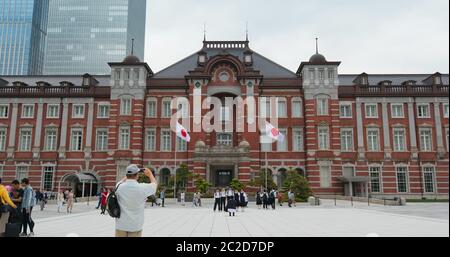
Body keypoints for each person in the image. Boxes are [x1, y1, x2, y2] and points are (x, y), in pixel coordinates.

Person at [115, 164, 157, 237]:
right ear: (137, 175)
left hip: (121, 224)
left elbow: (122, 181)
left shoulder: (119, 186)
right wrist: (150, 174)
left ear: (127, 175)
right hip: (135, 225)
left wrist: (128, 175)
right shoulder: (142, 187)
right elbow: (154, 185)